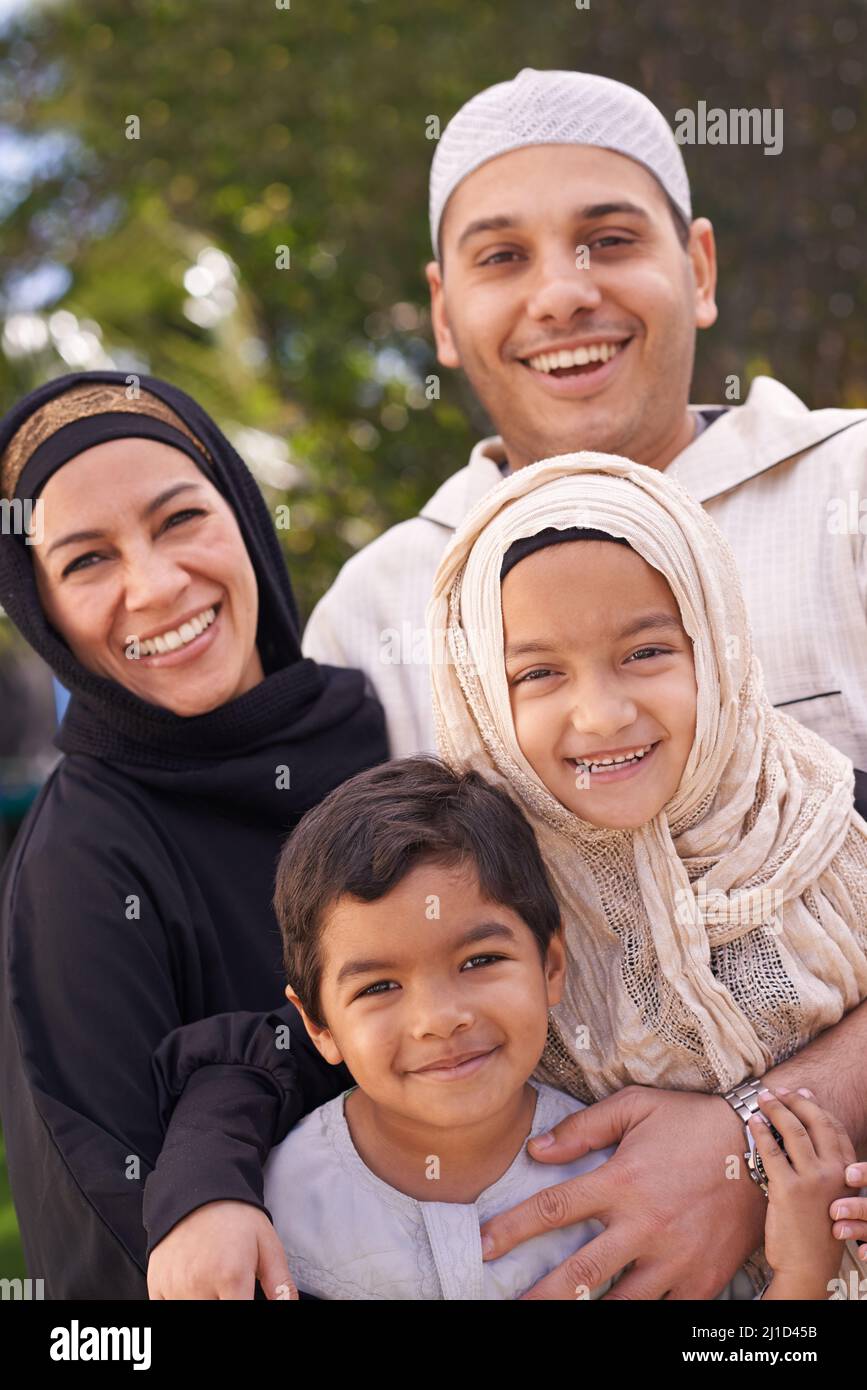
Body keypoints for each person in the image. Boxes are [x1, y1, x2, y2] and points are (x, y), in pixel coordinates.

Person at [145, 452, 867, 1299]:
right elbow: (296, 1040)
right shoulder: (480, 876)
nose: (600, 712)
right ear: (480, 688)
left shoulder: (830, 829)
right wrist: (202, 1192)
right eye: (537, 673)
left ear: (717, 643)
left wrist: (758, 1160)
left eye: (646, 651)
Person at [300, 68, 867, 785]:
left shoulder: (847, 492)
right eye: (502, 257)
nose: (562, 295)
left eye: (608, 240)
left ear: (699, 269)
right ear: (443, 314)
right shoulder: (376, 612)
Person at [0, 370, 389, 1299]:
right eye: (87, 560)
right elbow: (108, 1245)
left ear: (245, 519)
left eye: (180, 520)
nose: (156, 585)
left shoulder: (388, 723)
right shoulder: (79, 867)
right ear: (40, 608)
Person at [255, 758, 849, 1301]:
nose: (439, 1019)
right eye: (379, 987)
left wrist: (802, 1273)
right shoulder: (273, 1203)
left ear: (551, 967)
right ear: (317, 1023)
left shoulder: (624, 1179)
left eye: (479, 961)